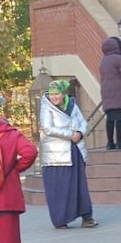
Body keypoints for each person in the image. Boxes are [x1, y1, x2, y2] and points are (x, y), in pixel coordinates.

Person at [40, 79, 98, 229]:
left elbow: (82, 122)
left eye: (57, 94)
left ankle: (87, 216)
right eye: (52, 94)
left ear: (63, 93)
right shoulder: (46, 107)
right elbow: (47, 128)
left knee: (80, 185)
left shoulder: (72, 104)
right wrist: (70, 134)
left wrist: (80, 132)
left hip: (75, 150)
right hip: (56, 156)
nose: (54, 97)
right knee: (60, 187)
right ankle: (61, 219)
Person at [99, 36, 121, 150]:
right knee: (120, 116)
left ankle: (110, 143)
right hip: (119, 90)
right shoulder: (119, 59)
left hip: (106, 91)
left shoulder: (103, 61)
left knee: (110, 117)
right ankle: (120, 141)